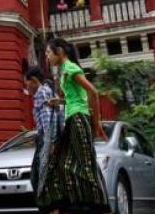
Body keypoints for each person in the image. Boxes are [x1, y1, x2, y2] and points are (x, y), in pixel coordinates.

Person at [39, 38, 110, 214]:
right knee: (61, 163)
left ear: (60, 51)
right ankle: (71, 205)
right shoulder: (64, 70)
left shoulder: (70, 68)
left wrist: (97, 122)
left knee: (86, 164)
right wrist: (59, 100)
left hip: (79, 118)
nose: (47, 57)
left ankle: (102, 208)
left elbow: (92, 92)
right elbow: (75, 97)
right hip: (72, 118)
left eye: (49, 52)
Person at [25, 66, 64, 207]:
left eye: (27, 84)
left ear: (34, 80)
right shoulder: (49, 91)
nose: (27, 88)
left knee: (39, 177)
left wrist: (50, 142)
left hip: (47, 139)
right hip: (51, 138)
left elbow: (49, 118)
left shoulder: (42, 92)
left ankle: (50, 208)